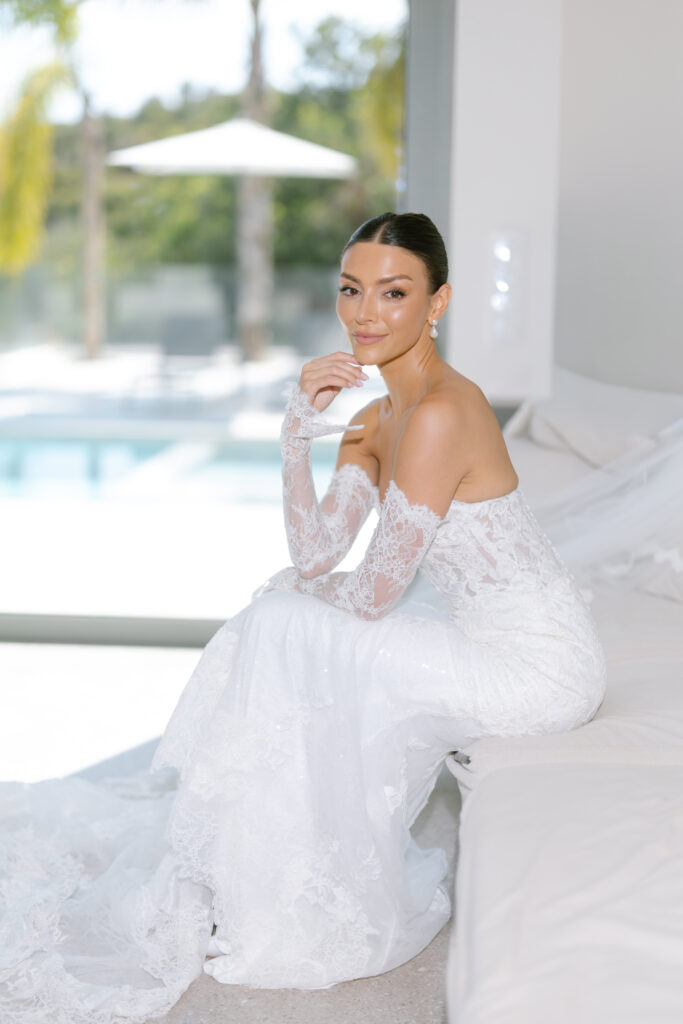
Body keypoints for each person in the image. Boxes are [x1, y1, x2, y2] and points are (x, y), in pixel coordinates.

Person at [0, 213, 606, 1024]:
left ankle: (275, 890)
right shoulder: (373, 419)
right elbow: (320, 553)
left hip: (540, 669)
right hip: (480, 642)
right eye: (352, 290)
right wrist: (295, 437)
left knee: (282, 624)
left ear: (438, 303)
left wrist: (290, 600)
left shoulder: (442, 414)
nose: (366, 313)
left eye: (394, 293)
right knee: (285, 617)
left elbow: (374, 594)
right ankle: (257, 871)